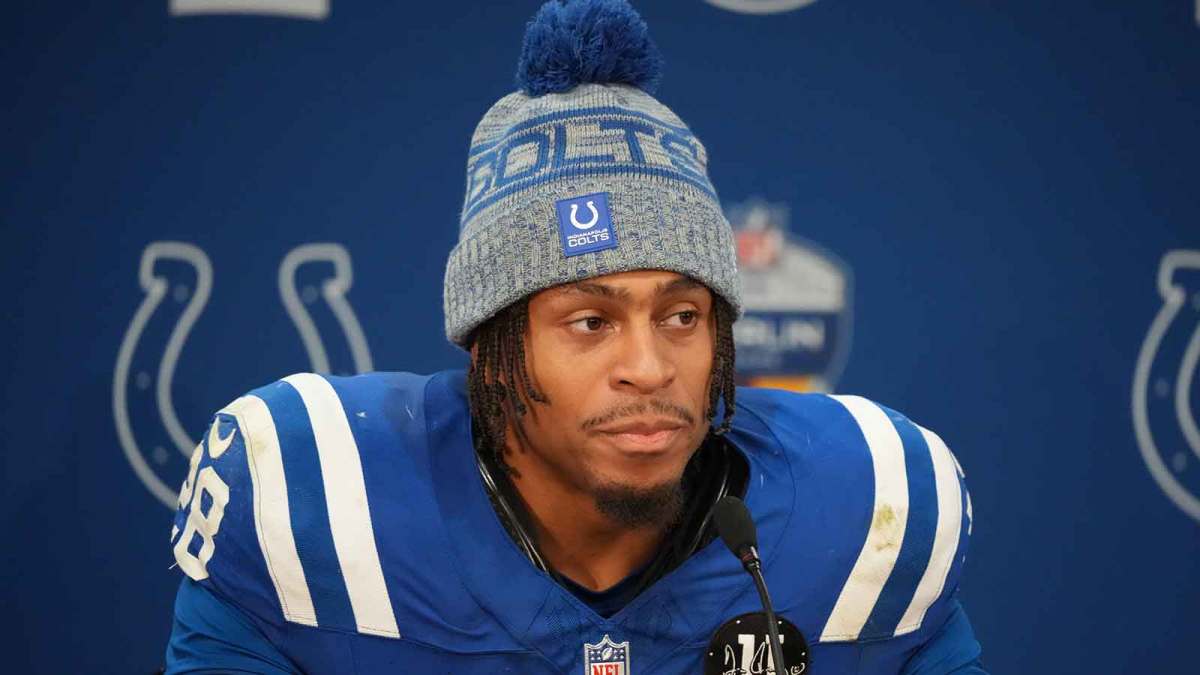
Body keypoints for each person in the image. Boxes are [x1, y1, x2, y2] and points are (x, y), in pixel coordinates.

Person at [164, 1, 986, 672]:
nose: (648, 366)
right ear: (490, 350)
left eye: (682, 316)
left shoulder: (870, 509)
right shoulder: (314, 499)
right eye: (591, 321)